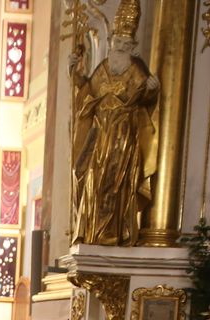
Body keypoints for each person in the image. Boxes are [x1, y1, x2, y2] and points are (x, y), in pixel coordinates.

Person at [69, 0, 159, 247]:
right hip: (99, 135)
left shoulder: (135, 69)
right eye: (117, 42)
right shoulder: (104, 67)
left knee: (116, 184)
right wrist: (75, 74)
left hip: (122, 136)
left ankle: (114, 233)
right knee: (87, 175)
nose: (120, 47)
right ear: (111, 42)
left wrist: (152, 90)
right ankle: (91, 231)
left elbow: (146, 101)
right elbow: (88, 92)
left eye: (125, 43)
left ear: (132, 46)